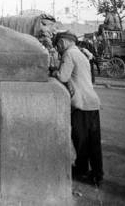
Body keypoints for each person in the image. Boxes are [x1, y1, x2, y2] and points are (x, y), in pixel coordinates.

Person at [53, 31, 103, 187]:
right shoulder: (80, 54)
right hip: (92, 102)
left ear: (62, 42)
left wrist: (54, 71)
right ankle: (97, 174)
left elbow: (63, 77)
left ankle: (83, 170)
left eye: (57, 45)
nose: (57, 49)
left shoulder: (69, 54)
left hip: (81, 104)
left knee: (80, 140)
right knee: (93, 141)